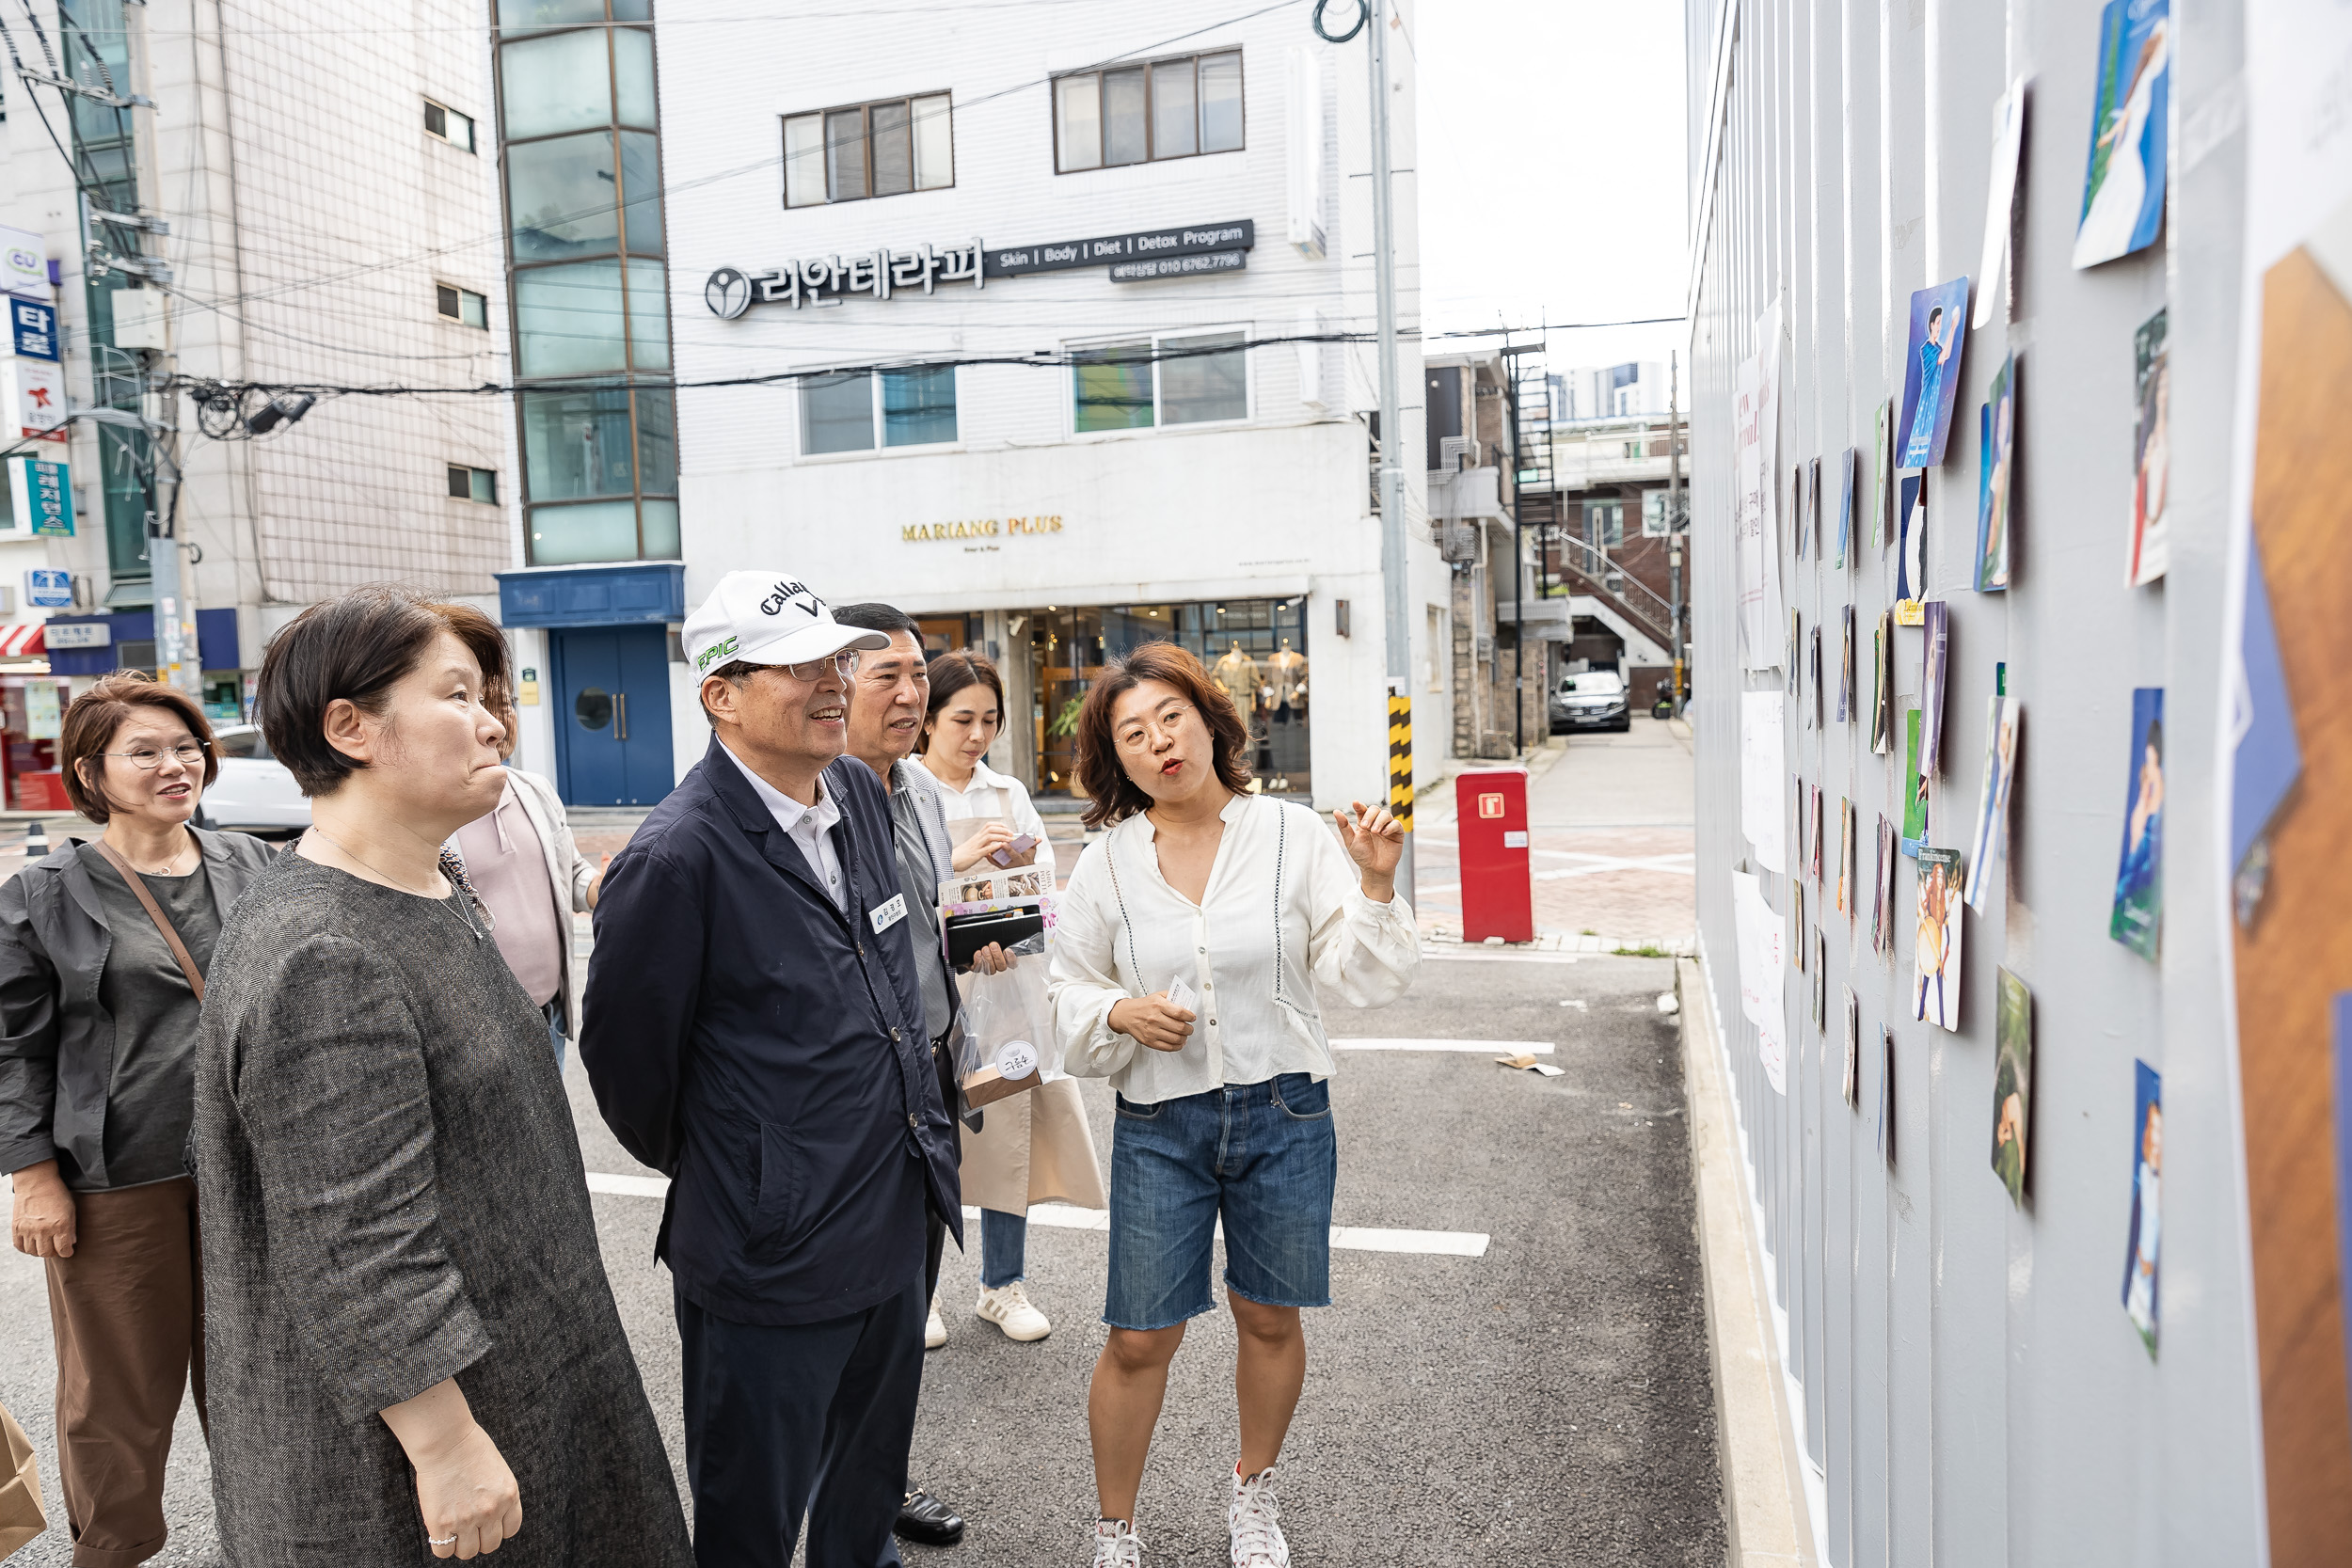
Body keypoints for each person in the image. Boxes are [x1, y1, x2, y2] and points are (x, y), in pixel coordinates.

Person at [189, 587, 692, 1566]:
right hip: (427, 1436)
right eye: (456, 694)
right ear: (351, 727)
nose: (493, 720)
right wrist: (446, 1442)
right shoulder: (323, 950)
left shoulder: (426, 884)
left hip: (530, 1364)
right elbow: (356, 1239)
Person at [581, 571, 959, 1568]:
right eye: (798, 666)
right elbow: (628, 1070)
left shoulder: (852, 793)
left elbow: (887, 973)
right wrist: (758, 1165)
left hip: (893, 1208)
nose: (834, 682)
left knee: (865, 1493)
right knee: (752, 1512)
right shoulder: (675, 857)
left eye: (835, 657)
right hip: (769, 1251)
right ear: (722, 694)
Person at [1047, 641, 1417, 1568]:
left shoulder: (1289, 834)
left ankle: (1252, 1493)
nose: (1158, 741)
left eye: (1170, 716)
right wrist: (1118, 1011)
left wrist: (1373, 881)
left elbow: (1356, 972)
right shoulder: (1105, 865)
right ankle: (1113, 1528)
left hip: (1283, 1110)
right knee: (1138, 1335)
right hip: (1159, 1122)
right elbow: (1065, 992)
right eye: (1132, 732)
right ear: (1115, 759)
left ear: (1209, 722)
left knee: (1269, 1316)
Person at [0, 672, 277, 1567]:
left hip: (253, 1175)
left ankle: (274, 1542)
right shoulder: (45, 892)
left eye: (187, 745)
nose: (175, 765)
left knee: (263, 1387)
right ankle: (112, 1550)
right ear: (93, 771)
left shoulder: (253, 863)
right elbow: (12, 1044)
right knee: (118, 1400)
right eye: (145, 751)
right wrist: (33, 1174)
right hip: (119, 1179)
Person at [830, 602, 973, 1552]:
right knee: (845, 1307)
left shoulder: (918, 788)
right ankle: (838, 1490)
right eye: (888, 676)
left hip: (930, 1076)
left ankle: (878, 1477)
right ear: (832, 690)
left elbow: (927, 916)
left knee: (905, 1301)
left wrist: (983, 933)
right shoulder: (809, 805)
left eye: (917, 673)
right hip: (850, 1095)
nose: (912, 692)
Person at [909, 651, 1092, 1345]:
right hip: (930, 990)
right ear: (929, 720)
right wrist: (956, 866)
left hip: (1005, 984)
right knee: (928, 1137)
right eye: (962, 718)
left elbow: (1044, 890)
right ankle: (919, 1292)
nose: (977, 734)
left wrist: (1014, 902)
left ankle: (1002, 1285)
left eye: (989, 719)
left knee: (1007, 1129)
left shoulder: (1008, 793)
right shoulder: (904, 792)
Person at [445, 676, 604, 1069]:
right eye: (474, 703)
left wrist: (601, 887)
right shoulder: (436, 810)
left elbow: (572, 875)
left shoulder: (535, 790)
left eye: (505, 703)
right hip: (480, 1031)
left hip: (550, 1017)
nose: (500, 720)